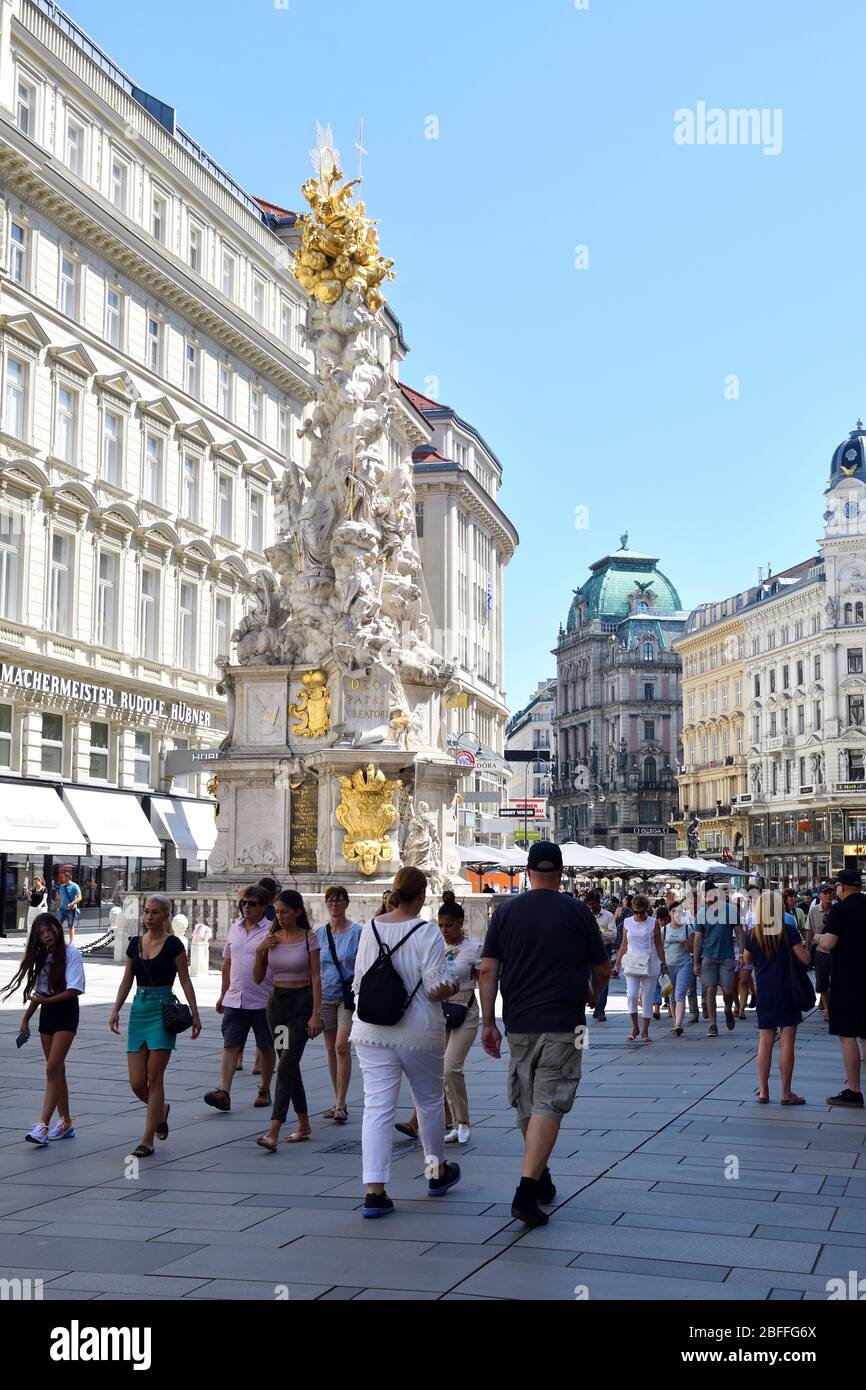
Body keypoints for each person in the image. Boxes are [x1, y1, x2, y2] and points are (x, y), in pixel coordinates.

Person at [479, 842, 609, 1229]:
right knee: (549, 1102)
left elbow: (487, 970)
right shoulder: (577, 911)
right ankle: (525, 1190)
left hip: (518, 1022)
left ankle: (541, 1176)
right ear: (562, 872)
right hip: (566, 1023)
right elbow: (602, 968)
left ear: (528, 870)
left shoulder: (505, 912)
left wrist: (488, 1021)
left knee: (527, 1103)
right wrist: (592, 993)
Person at [352, 866, 463, 1218]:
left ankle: (375, 1191)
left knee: (377, 1107)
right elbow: (435, 989)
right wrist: (455, 985)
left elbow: (358, 983)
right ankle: (435, 1173)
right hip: (417, 1030)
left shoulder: (370, 927)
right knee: (429, 1102)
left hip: (371, 1030)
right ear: (421, 895)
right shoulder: (427, 932)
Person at [109, 894, 201, 1157]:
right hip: (139, 1009)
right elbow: (127, 980)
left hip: (163, 1009)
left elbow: (185, 980)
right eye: (147, 912)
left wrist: (195, 1014)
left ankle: (147, 1140)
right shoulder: (135, 944)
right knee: (137, 1082)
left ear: (166, 916)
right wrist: (116, 1009)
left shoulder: (174, 945)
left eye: (155, 913)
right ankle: (161, 1110)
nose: (149, 917)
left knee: (154, 1076)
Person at [2, 913, 85, 1144]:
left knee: (52, 1069)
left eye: (49, 930)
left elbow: (75, 989)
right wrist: (26, 1019)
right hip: (47, 1013)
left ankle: (42, 1126)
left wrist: (47, 1001)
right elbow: (39, 993)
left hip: (66, 1011)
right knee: (57, 1070)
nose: (46, 935)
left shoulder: (71, 953)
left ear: (58, 929)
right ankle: (66, 1121)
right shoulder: (43, 956)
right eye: (41, 933)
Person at [254, 890, 322, 1150]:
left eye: (284, 911)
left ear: (297, 911)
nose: (279, 916)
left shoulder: (309, 938)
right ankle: (304, 1124)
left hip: (302, 1005)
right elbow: (258, 977)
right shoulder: (272, 939)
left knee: (286, 1065)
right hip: (279, 1006)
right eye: (277, 912)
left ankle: (273, 1130)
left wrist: (316, 1014)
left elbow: (316, 977)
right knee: (287, 1063)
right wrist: (261, 950)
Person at [205, 885, 276, 1112]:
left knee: (266, 1046)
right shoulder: (234, 929)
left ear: (265, 907)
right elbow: (228, 962)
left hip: (264, 999)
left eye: (252, 904)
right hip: (236, 998)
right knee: (230, 1045)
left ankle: (264, 1089)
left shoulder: (271, 931)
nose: (247, 907)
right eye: (244, 903)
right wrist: (223, 993)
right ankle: (224, 1091)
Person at [743, 889, 811, 1104]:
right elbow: (805, 959)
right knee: (787, 1043)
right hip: (787, 990)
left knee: (765, 1042)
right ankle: (786, 1093)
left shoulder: (753, 934)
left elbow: (747, 961)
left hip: (765, 991)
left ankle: (763, 1091)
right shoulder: (788, 931)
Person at [813, 869, 866, 1107]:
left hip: (848, 979)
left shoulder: (840, 909)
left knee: (847, 1034)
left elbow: (829, 942)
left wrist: (817, 939)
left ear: (841, 888)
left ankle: (854, 1090)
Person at [317, 885, 363, 1124]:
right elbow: (314, 968)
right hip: (325, 995)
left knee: (341, 1047)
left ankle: (341, 1102)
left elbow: (363, 965)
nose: (334, 904)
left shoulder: (358, 932)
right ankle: (338, 1102)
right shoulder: (320, 934)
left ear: (346, 903)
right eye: (330, 901)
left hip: (347, 997)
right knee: (330, 1049)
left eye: (338, 900)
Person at [613, 894, 666, 1043]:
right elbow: (624, 944)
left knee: (648, 997)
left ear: (647, 910)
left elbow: (659, 945)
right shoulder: (627, 922)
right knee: (631, 995)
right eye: (636, 912)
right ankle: (635, 1027)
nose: (639, 915)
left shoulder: (653, 922)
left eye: (642, 912)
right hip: (632, 962)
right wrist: (617, 963)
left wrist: (664, 962)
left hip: (649, 962)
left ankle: (645, 1031)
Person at [693, 880, 742, 1038]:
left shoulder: (730, 910)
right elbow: (698, 939)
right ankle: (712, 1025)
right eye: (705, 894)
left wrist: (741, 954)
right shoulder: (701, 913)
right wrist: (696, 961)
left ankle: (728, 1008)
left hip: (727, 956)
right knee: (710, 989)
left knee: (728, 990)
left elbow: (740, 932)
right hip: (708, 956)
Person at [661, 901, 693, 1036]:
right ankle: (676, 1024)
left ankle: (679, 1024)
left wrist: (685, 942)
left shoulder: (687, 928)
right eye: (674, 911)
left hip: (684, 964)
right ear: (670, 913)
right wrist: (662, 964)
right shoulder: (665, 929)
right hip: (669, 965)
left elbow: (693, 949)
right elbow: (660, 949)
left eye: (679, 912)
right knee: (672, 997)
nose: (677, 914)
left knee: (680, 994)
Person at [585, 889, 616, 1021]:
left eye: (593, 904)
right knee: (588, 977)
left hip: (604, 948)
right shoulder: (585, 915)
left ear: (598, 903)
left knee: (603, 978)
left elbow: (614, 934)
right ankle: (593, 1003)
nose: (591, 907)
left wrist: (600, 934)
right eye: (589, 904)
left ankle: (600, 1009)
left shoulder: (608, 916)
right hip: (587, 950)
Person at [807, 883, 834, 1022]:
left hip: (836, 952)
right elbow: (809, 931)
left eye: (830, 892)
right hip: (820, 951)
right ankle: (828, 1009)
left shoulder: (838, 909)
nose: (828, 895)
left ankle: (834, 1007)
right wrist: (807, 952)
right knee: (822, 982)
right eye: (825, 893)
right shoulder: (814, 911)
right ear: (819, 896)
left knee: (836, 981)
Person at [54, 870, 82, 943]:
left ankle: (71, 942)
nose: (63, 879)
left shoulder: (75, 886)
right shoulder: (62, 887)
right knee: (58, 925)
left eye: (65, 878)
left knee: (70, 926)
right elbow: (60, 897)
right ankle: (58, 940)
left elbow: (79, 898)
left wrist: (72, 904)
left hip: (71, 909)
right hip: (62, 909)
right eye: (63, 878)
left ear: (69, 878)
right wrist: (57, 906)